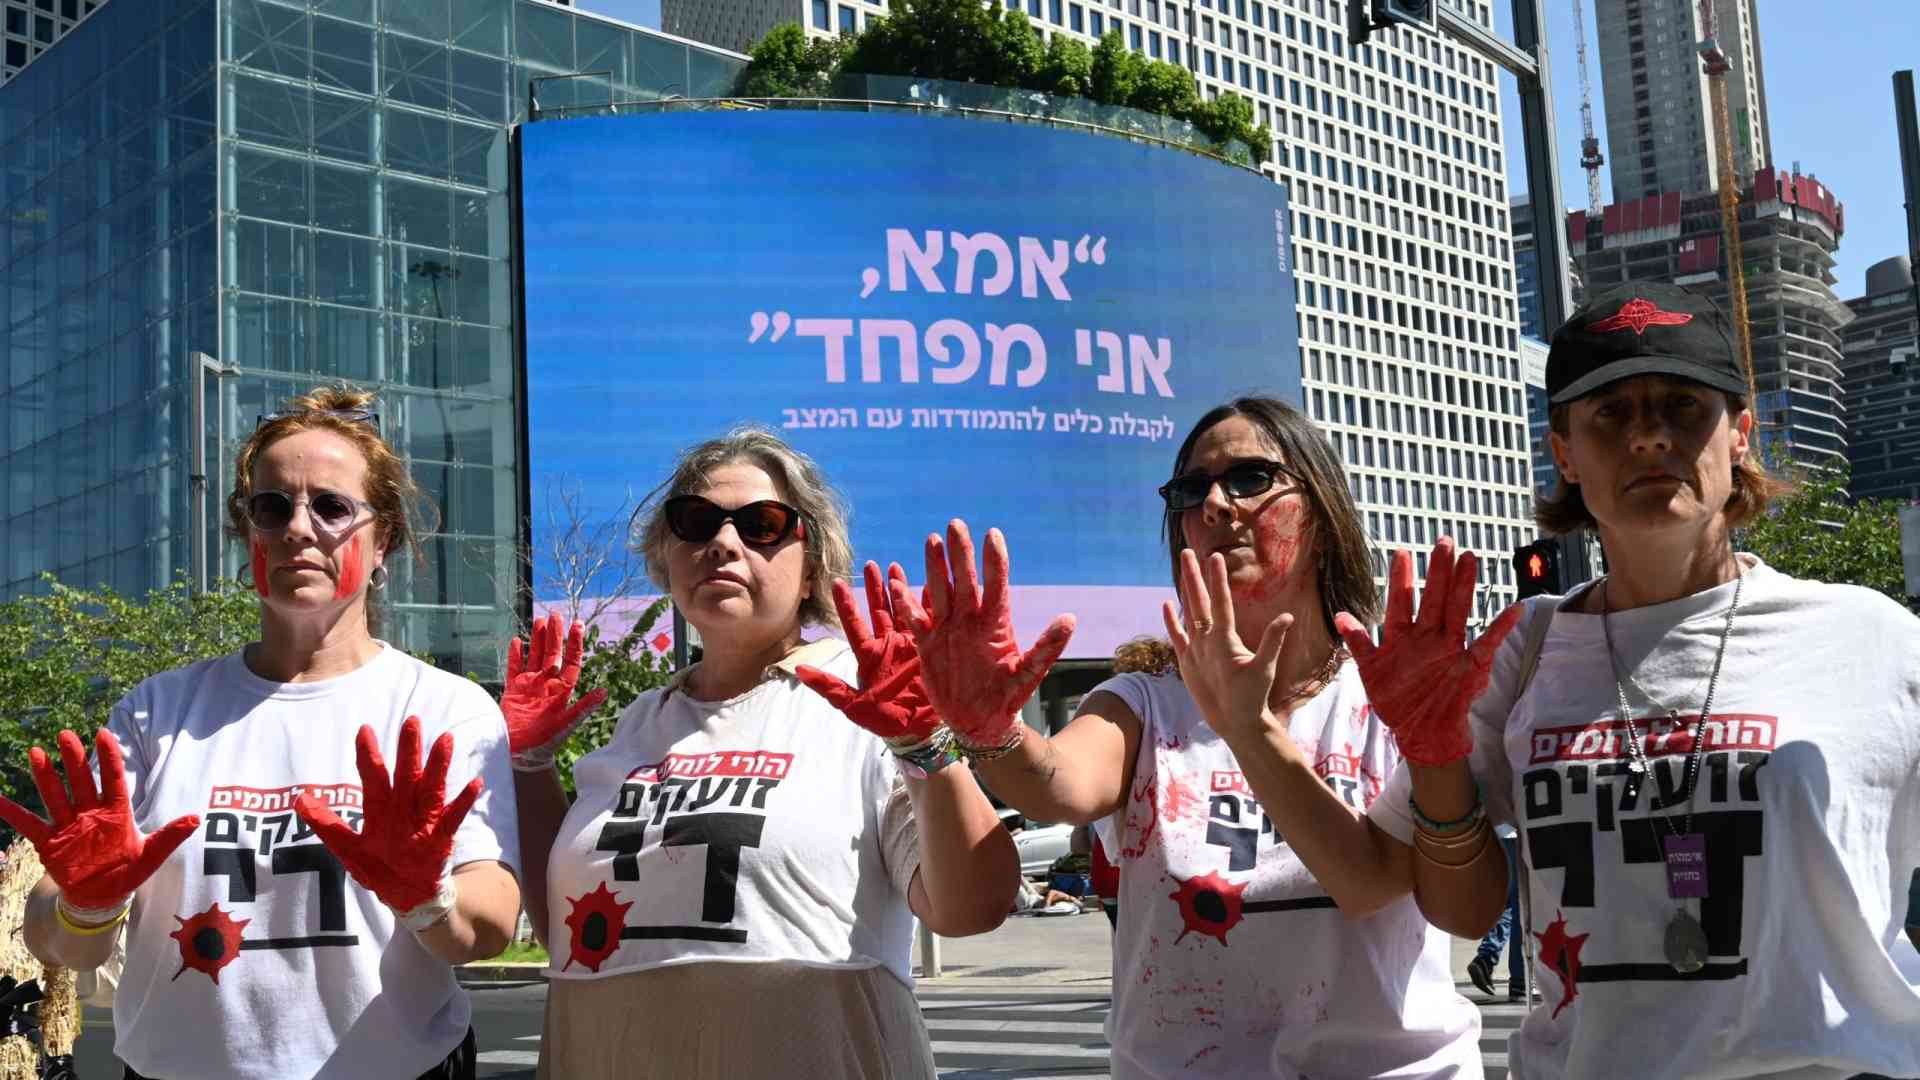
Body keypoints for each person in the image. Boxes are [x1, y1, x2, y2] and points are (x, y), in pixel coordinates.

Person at [1359, 282, 1920, 1079]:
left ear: (1740, 435)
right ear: (1564, 453)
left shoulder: (1872, 639)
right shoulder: (1524, 651)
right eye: (1610, 413)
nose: (1650, 436)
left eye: (1683, 407)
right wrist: (1431, 753)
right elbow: (1462, 910)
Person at [884, 397, 1489, 1078]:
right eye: (1192, 490)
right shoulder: (1143, 703)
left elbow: (1398, 889)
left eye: (1252, 478)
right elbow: (1058, 784)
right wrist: (994, 730)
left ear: (1322, 514)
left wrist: (1251, 729)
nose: (1217, 505)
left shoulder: (1392, 697)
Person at [1, 386, 522, 1079]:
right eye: (272, 508)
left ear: (385, 539)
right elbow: (63, 942)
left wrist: (429, 900)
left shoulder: (444, 708)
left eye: (332, 507)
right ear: (249, 533)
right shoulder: (156, 712)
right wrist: (86, 907)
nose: (298, 529)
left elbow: (490, 926)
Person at [508, 427, 1018, 1079]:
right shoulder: (639, 724)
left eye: (763, 525)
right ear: (667, 553)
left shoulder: (870, 703)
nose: (724, 543)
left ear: (812, 568)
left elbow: (972, 906)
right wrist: (528, 767)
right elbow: (571, 934)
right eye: (695, 522)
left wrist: (927, 749)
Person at [1466, 824, 1527, 1002]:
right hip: (1516, 832)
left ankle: (1486, 958)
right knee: (1519, 904)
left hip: (1496, 833)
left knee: (1508, 902)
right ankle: (1519, 980)